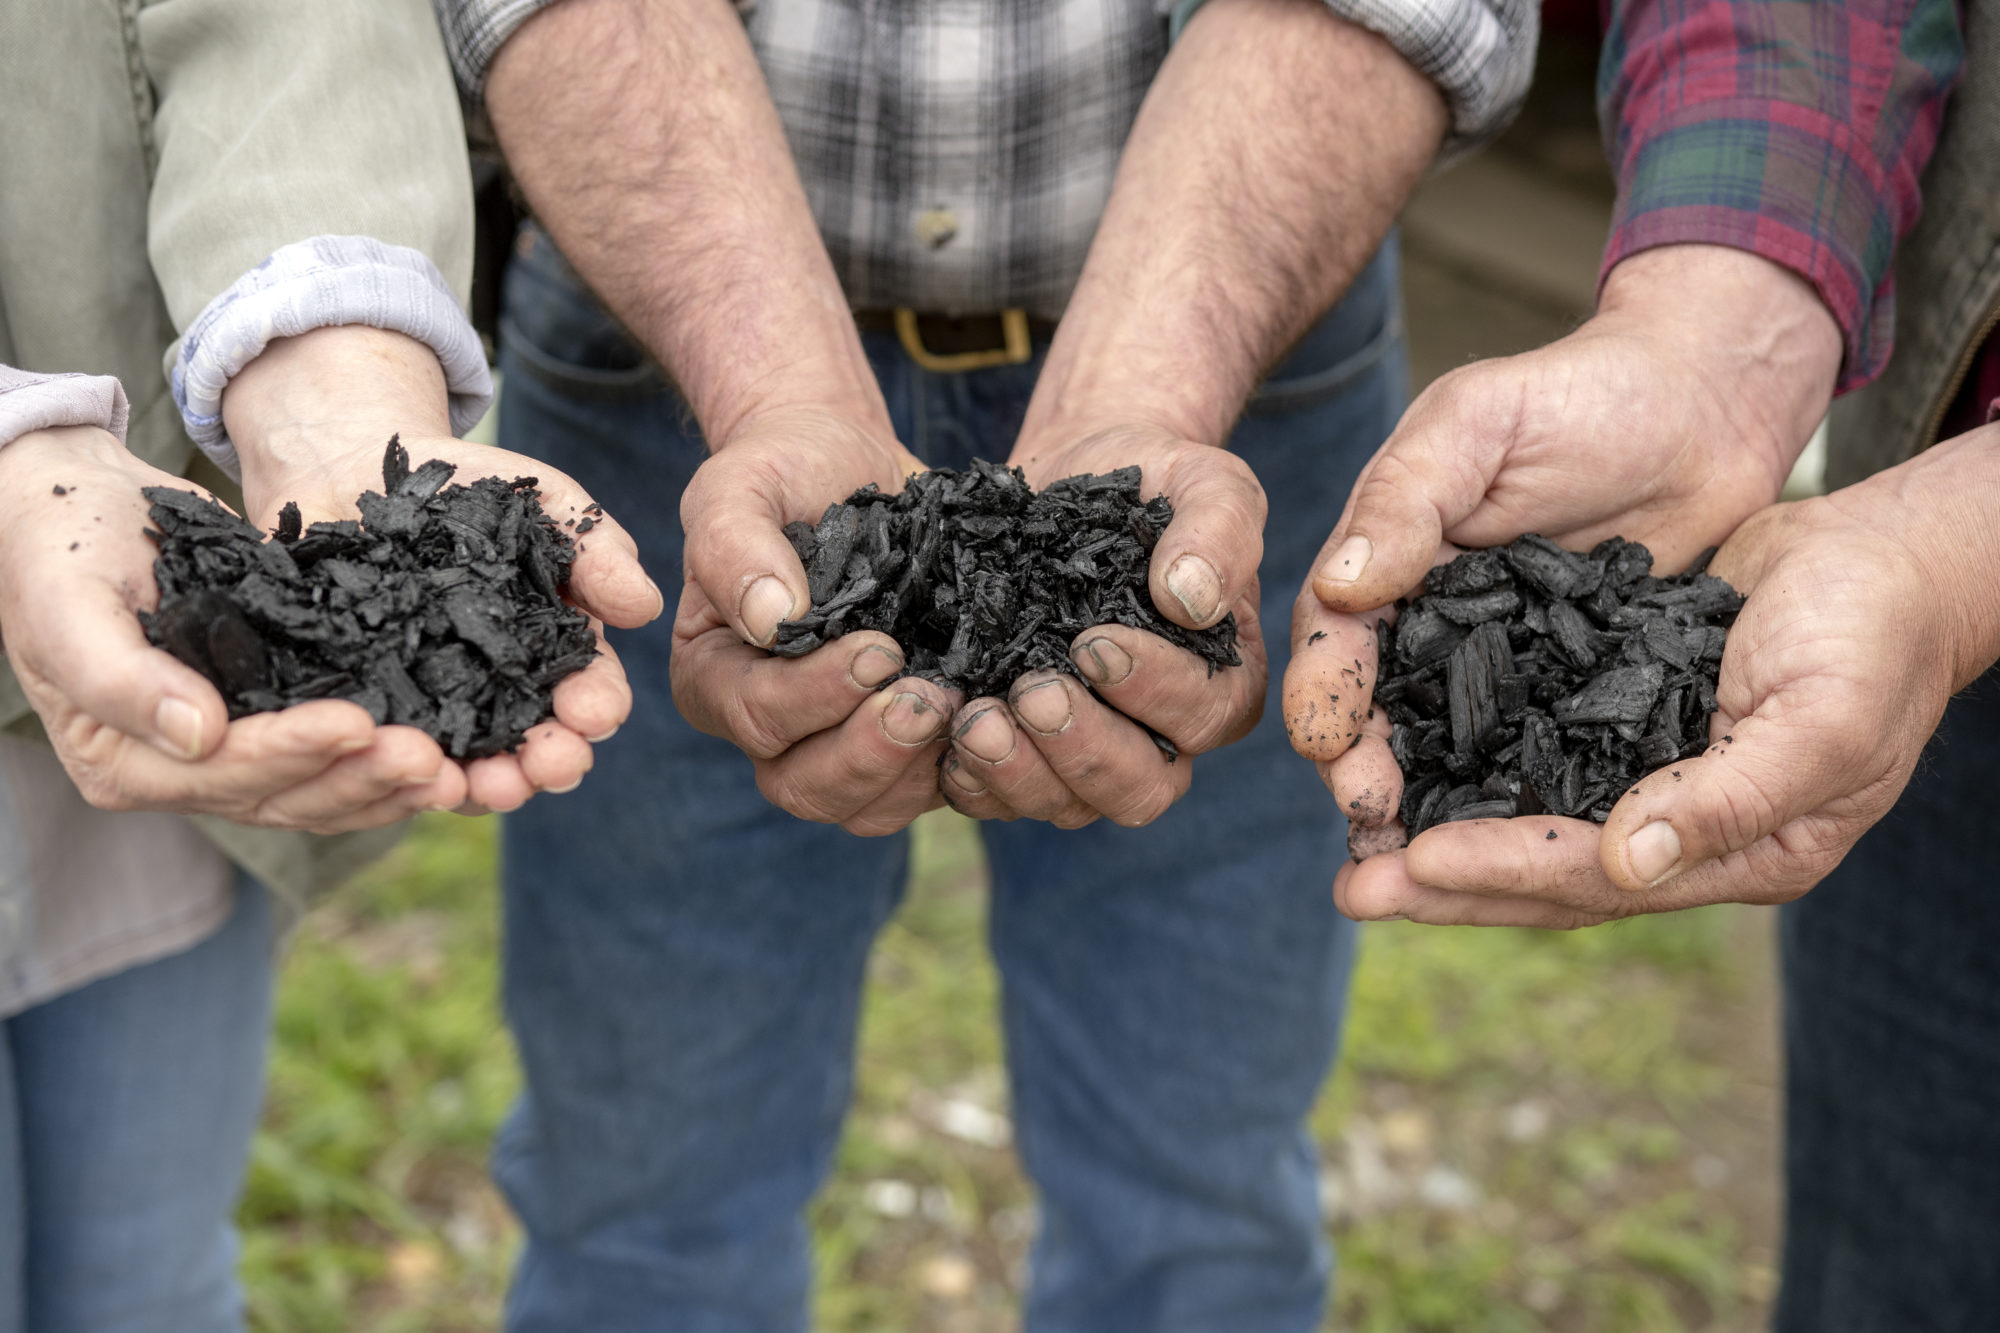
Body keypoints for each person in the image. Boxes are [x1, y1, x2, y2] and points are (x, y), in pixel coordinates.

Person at [433, 0, 1532, 1324]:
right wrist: (775, 386)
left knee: (1197, 1200)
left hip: (1248, 339)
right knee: (642, 1191)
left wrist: (1147, 401)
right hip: (660, 328)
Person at [1286, 0, 1999, 1324]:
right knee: (1902, 1255)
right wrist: (1715, 330)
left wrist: (1960, 551)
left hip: (1928, 563)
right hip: (1914, 570)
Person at [0, 1, 656, 1327]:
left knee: (149, 1278)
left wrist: (332, 354)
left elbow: (285, 30)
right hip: (70, 528)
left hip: (142, 638)